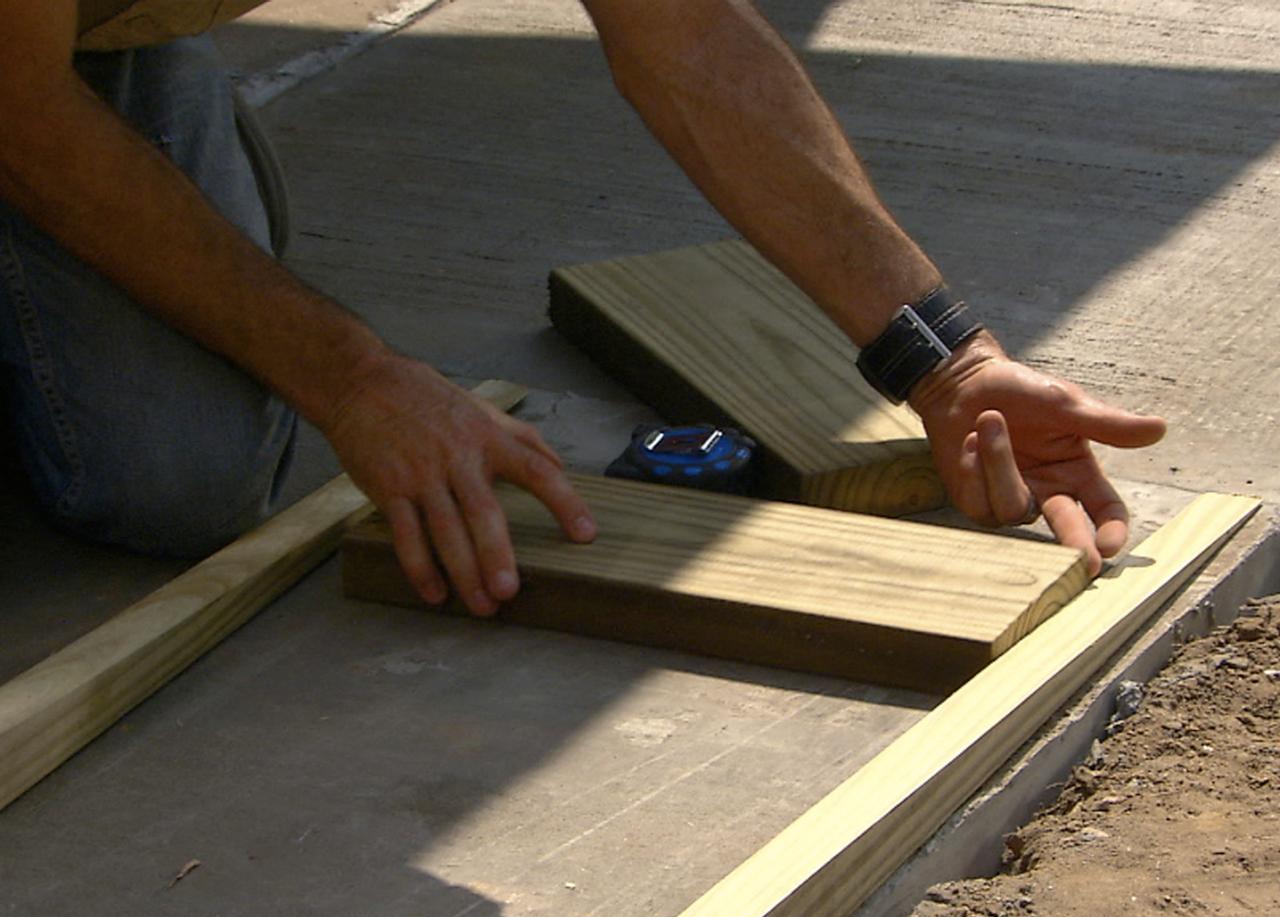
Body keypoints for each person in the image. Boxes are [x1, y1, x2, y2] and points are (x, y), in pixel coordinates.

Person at [0, 0, 1165, 617]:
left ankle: (127, 68)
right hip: (19, 83)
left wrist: (943, 361)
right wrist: (355, 378)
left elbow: (688, 37)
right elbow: (17, 111)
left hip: (56, 54)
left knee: (178, 475)